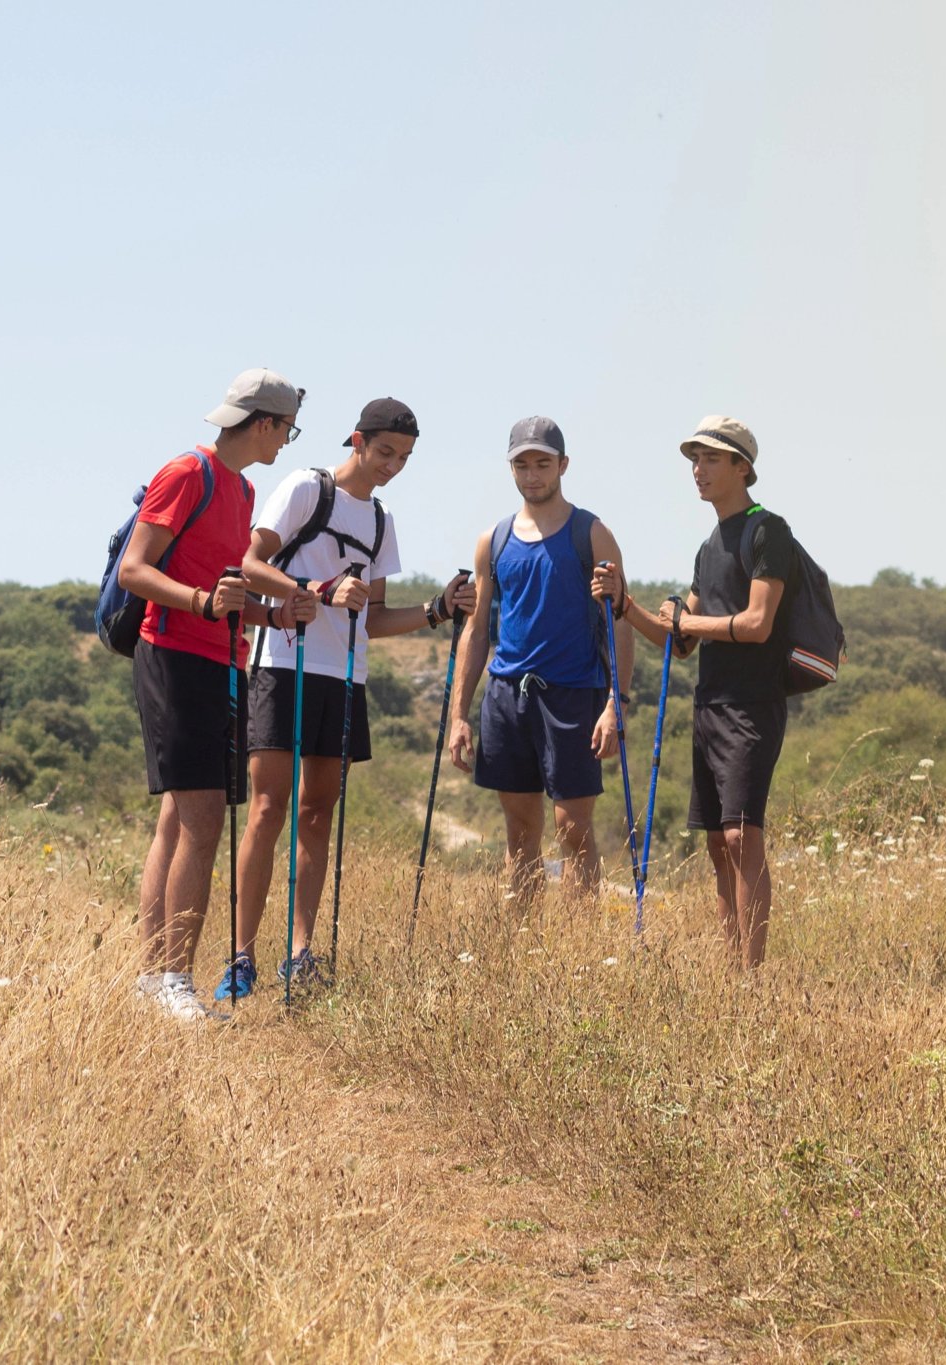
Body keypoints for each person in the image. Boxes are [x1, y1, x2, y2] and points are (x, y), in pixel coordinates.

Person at [223, 398, 473, 999]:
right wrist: (316, 587)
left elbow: (375, 619)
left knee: (317, 813)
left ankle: (302, 953)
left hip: (345, 676)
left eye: (405, 458)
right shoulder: (307, 489)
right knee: (267, 808)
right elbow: (250, 564)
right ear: (356, 441)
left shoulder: (382, 522)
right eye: (385, 451)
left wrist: (439, 609)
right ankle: (241, 956)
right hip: (283, 661)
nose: (392, 465)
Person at [118, 367, 313, 1020]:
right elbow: (135, 569)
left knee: (178, 821)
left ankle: (156, 978)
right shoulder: (188, 474)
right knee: (203, 824)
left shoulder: (243, 489)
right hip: (173, 658)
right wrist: (202, 602)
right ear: (263, 423)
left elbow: (228, 596)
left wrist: (275, 615)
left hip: (219, 660)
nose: (286, 441)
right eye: (285, 429)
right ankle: (175, 980)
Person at [593, 416, 793, 969]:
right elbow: (677, 646)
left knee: (739, 837)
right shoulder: (709, 549)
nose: (698, 471)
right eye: (694, 461)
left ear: (742, 468)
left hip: (752, 707)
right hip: (709, 707)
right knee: (714, 843)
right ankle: (734, 976)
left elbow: (756, 624)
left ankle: (752, 983)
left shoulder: (766, 529)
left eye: (710, 459)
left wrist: (688, 624)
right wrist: (625, 605)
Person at [448, 416, 633, 911]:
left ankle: (578, 946)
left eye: (542, 464)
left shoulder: (592, 534)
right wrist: (460, 714)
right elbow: (478, 628)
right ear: (511, 469)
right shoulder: (495, 539)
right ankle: (521, 943)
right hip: (508, 695)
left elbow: (621, 622)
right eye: (522, 464)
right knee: (520, 830)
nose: (532, 475)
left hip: (574, 694)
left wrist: (617, 703)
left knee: (572, 828)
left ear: (563, 465)